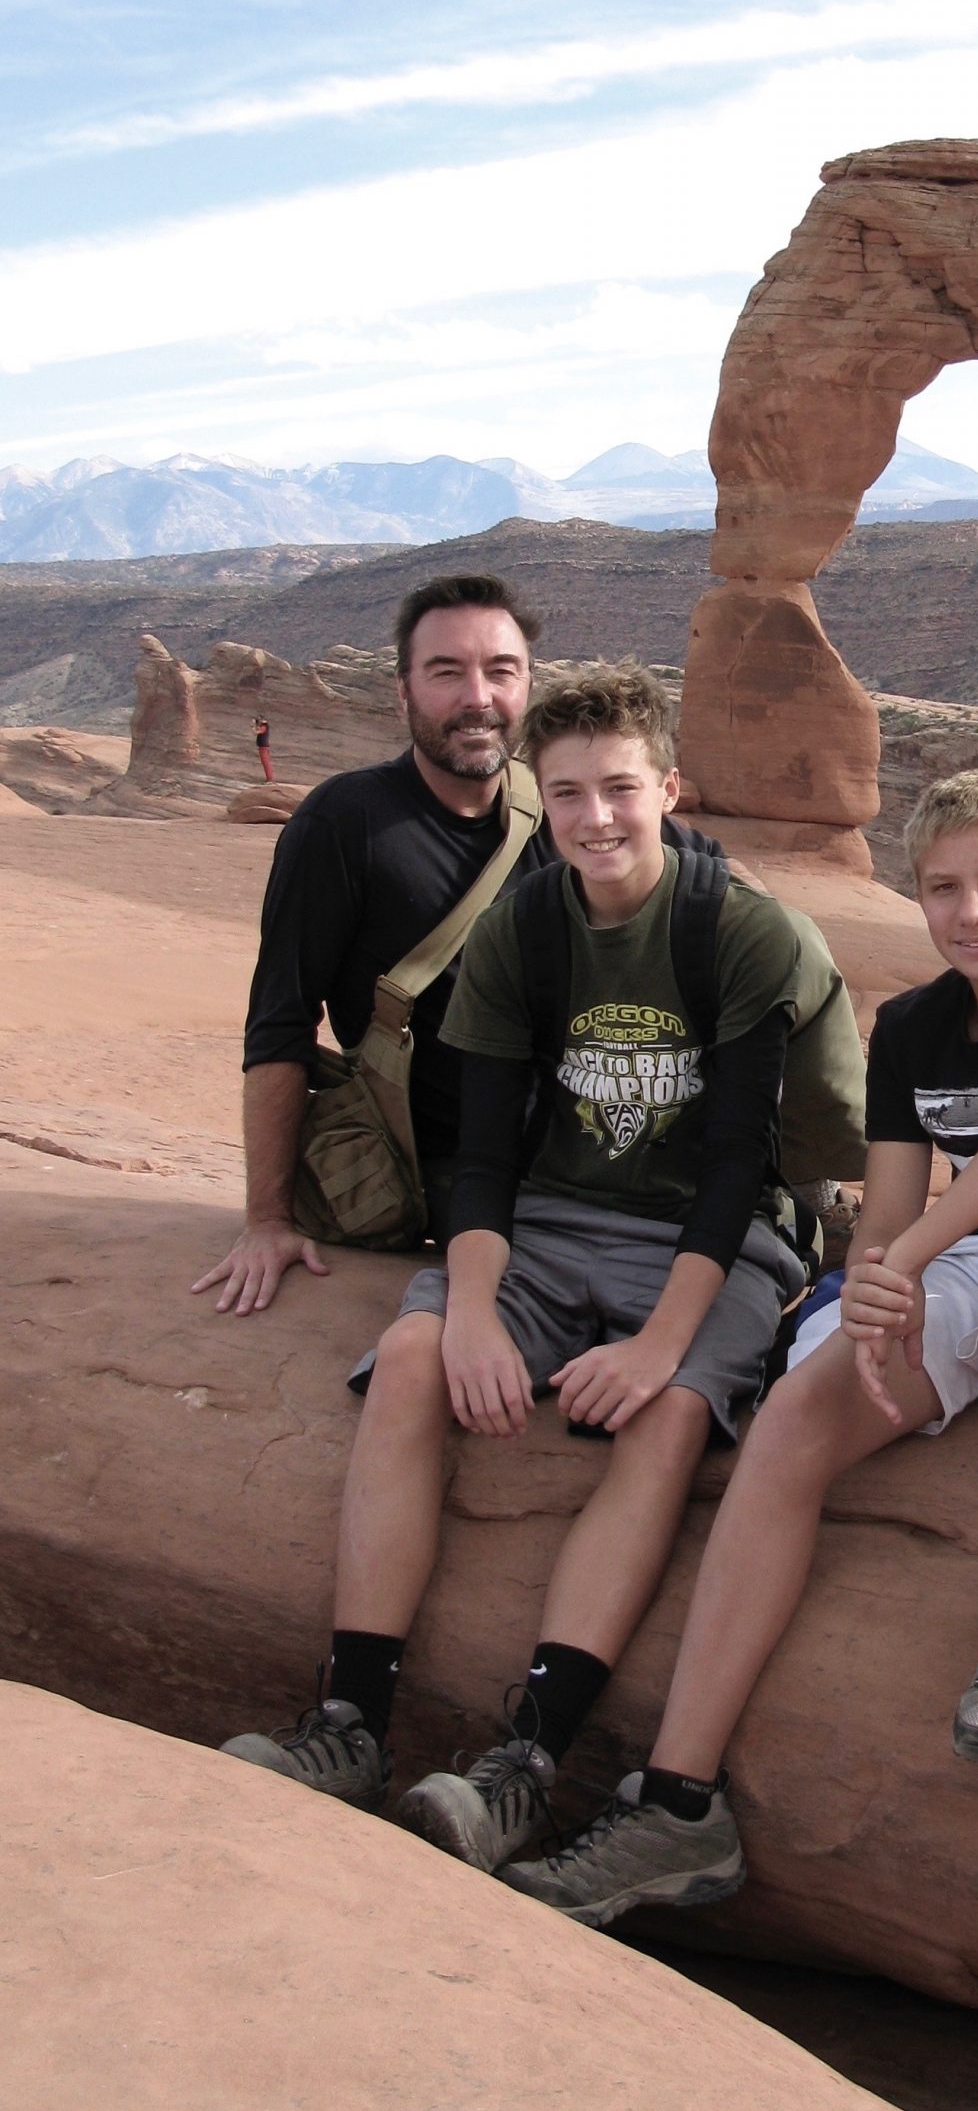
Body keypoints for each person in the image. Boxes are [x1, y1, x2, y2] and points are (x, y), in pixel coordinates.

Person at [493, 766, 978, 1929]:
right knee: (793, 1418)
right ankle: (678, 1800)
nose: (972, 912)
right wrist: (873, 1299)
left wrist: (912, 1250)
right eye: (943, 889)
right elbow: (883, 1211)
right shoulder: (915, 1027)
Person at [221, 664, 823, 1855]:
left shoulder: (741, 931)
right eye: (567, 796)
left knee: (668, 1416)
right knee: (407, 1354)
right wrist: (475, 1314)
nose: (595, 819)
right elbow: (480, 1158)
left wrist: (658, 1346)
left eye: (618, 789)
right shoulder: (521, 933)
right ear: (536, 801)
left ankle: (525, 1760)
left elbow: (733, 1167)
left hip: (714, 1241)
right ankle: (350, 1721)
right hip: (549, 1221)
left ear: (668, 786)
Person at [193, 572, 548, 1316]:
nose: (477, 697)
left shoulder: (562, 809)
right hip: (449, 1175)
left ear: (527, 685)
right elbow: (281, 1022)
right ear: (403, 692)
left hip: (576, 1153)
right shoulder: (345, 822)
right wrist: (267, 1220)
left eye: (499, 671)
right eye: (446, 673)